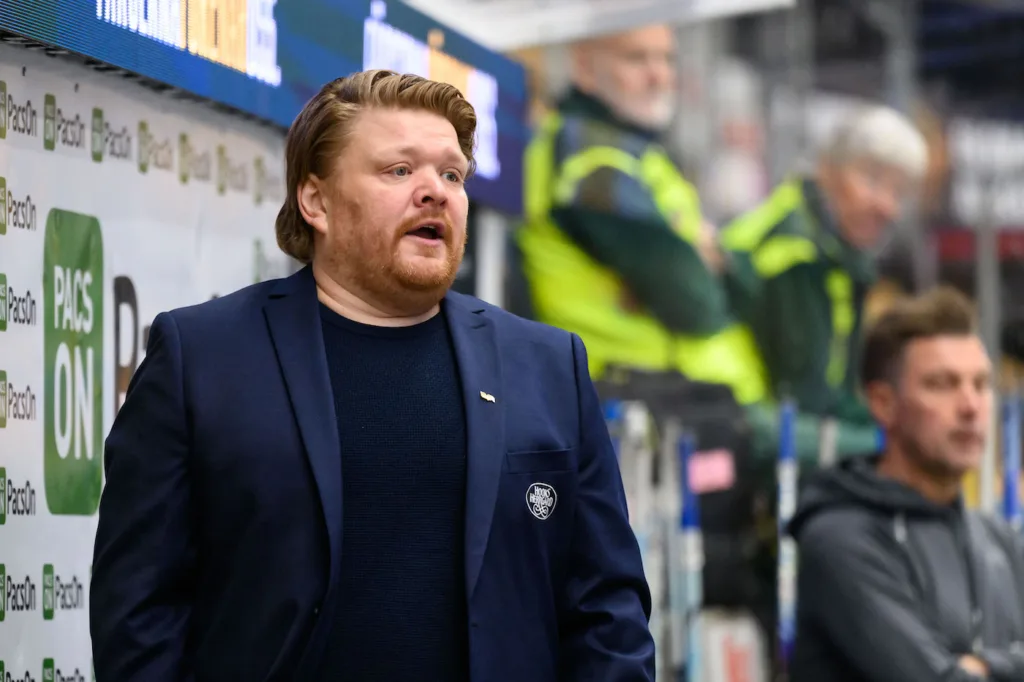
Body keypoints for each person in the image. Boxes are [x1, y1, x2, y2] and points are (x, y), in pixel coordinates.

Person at [90, 70, 654, 682]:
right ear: (317, 202)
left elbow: (608, 609)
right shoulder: (201, 358)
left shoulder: (548, 366)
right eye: (399, 170)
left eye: (452, 175)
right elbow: (138, 613)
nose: (435, 192)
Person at [513, 23, 766, 406]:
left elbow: (738, 285)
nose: (659, 75)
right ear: (585, 66)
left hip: (681, 398)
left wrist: (710, 259)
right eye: (637, 59)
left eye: (667, 59)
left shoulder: (635, 153)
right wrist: (696, 253)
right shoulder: (594, 159)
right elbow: (695, 301)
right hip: (630, 402)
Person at [788, 286, 1024, 681]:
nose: (970, 406)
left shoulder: (997, 540)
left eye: (982, 384)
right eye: (942, 384)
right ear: (883, 403)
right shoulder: (842, 539)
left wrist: (985, 667)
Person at [722, 105, 929, 459]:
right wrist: (887, 436)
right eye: (873, 180)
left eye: (898, 192)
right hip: (745, 431)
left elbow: (833, 393)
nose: (887, 206)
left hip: (777, 426)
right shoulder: (793, 253)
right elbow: (806, 395)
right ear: (827, 169)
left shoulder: (840, 254)